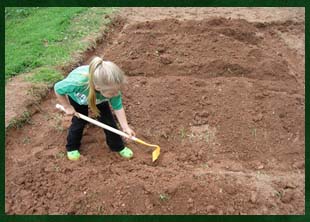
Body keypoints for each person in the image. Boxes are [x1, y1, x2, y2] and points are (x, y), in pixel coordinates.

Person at [54, 56, 135, 161]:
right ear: (98, 88)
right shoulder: (77, 83)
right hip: (79, 99)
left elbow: (118, 107)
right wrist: (67, 107)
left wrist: (125, 127)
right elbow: (58, 88)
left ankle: (117, 146)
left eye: (117, 91)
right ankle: (72, 147)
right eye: (112, 93)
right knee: (79, 121)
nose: (116, 94)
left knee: (109, 122)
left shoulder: (112, 90)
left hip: (100, 100)